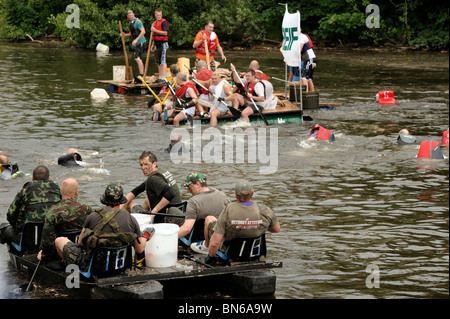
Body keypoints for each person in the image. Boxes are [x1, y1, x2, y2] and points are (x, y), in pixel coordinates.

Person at [54, 183, 155, 272]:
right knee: (141, 238)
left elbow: (80, 242)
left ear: (105, 199)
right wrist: (145, 238)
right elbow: (140, 250)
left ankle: (71, 271)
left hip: (94, 267)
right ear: (121, 200)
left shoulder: (92, 216)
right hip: (120, 266)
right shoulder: (130, 218)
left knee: (59, 240)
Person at [195, 181, 280, 264]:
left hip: (231, 253)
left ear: (235, 195)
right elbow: (276, 229)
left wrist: (210, 258)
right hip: (254, 252)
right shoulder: (265, 210)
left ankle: (205, 247)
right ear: (252, 193)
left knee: (209, 219)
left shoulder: (229, 210)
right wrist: (257, 224)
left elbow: (215, 243)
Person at [0, 166, 61, 245]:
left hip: (27, 235)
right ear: (49, 178)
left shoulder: (26, 189)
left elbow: (11, 214)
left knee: (3, 228)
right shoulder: (57, 189)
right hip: (51, 234)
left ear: (32, 178)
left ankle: (15, 253)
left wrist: (16, 227)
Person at [38, 178, 92, 263]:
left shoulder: (52, 212)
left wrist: (43, 255)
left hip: (59, 254)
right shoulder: (87, 208)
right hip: (81, 251)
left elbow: (48, 241)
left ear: (61, 192)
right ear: (76, 192)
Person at [124, 151, 183, 224]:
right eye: (141, 165)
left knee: (128, 204)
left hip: (163, 218)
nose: (143, 167)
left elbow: (170, 193)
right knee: (147, 199)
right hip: (177, 212)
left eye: (146, 164)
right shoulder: (161, 172)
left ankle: (139, 222)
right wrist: (121, 203)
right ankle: (143, 219)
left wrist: (153, 212)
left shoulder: (153, 178)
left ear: (154, 164)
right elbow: (137, 191)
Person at [178, 173, 230, 242]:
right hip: (221, 236)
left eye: (189, 187)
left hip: (200, 239)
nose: (188, 190)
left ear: (197, 184)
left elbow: (187, 229)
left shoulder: (193, 202)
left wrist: (168, 238)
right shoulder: (222, 195)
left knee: (173, 210)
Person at [120, 10, 146, 79]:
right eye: (129, 15)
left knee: (137, 58)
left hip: (141, 42)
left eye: (132, 15)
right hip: (136, 42)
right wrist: (124, 35)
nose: (131, 16)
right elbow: (132, 34)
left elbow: (143, 31)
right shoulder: (130, 23)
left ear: (133, 14)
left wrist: (136, 40)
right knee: (138, 58)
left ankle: (141, 75)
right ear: (127, 16)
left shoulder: (138, 21)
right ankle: (141, 74)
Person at [151, 9, 169, 83]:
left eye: (160, 15)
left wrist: (155, 30)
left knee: (162, 60)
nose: (159, 16)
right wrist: (152, 44)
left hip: (163, 43)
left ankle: (164, 78)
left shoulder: (164, 22)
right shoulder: (154, 23)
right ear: (155, 15)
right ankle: (160, 76)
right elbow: (154, 35)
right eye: (157, 15)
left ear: (161, 15)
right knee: (158, 61)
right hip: (156, 43)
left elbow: (165, 33)